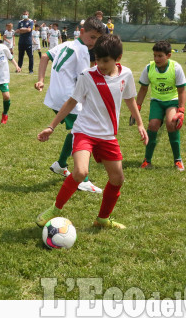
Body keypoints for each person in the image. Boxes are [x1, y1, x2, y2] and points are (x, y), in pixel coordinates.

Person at [35, 34, 148, 229]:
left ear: (117, 58)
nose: (100, 64)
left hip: (108, 136)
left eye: (105, 61)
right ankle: (55, 209)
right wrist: (51, 126)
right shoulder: (87, 76)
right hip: (84, 132)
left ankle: (102, 219)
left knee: (117, 178)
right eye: (97, 59)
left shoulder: (126, 75)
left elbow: (130, 99)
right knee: (80, 171)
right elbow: (71, 101)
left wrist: (139, 123)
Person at [34, 16, 107, 193]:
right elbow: (84, 78)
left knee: (76, 131)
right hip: (68, 98)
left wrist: (41, 80)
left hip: (55, 95)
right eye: (92, 37)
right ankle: (83, 179)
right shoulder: (82, 50)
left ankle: (60, 164)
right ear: (82, 32)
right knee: (84, 133)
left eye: (97, 38)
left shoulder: (67, 44)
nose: (94, 42)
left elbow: (45, 56)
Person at [133, 40, 186, 172]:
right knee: (152, 125)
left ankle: (178, 160)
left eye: (160, 56)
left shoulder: (176, 68)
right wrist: (137, 107)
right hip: (157, 101)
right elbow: (143, 89)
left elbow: (181, 91)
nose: (156, 58)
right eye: (154, 55)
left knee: (171, 123)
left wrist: (181, 110)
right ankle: (147, 160)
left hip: (172, 101)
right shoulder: (149, 68)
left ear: (168, 55)